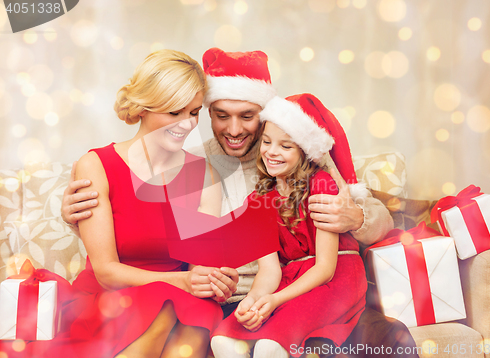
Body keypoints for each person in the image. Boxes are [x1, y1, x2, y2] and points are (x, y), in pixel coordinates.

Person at [61, 48, 417, 358]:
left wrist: (356, 217)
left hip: (309, 292)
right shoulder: (198, 165)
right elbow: (163, 249)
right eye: (219, 115)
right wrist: (80, 220)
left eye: (247, 116)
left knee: (390, 339)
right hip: (236, 301)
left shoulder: (303, 155)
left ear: (266, 113)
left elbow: (379, 220)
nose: (234, 129)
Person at [33, 49, 238, 358]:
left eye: (194, 113)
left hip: (178, 299)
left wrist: (215, 280)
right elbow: (107, 272)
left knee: (198, 311)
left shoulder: (202, 174)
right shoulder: (97, 165)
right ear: (143, 108)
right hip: (110, 300)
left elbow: (200, 265)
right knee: (170, 304)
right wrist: (182, 281)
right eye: (174, 112)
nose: (187, 124)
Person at [211, 93, 368, 358]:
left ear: (304, 152)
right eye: (267, 142)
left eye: (286, 147)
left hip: (336, 278)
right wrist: (253, 301)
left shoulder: (321, 184)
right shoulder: (258, 199)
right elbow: (270, 271)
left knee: (270, 346)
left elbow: (325, 269)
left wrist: (275, 301)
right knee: (223, 340)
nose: (272, 152)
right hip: (290, 278)